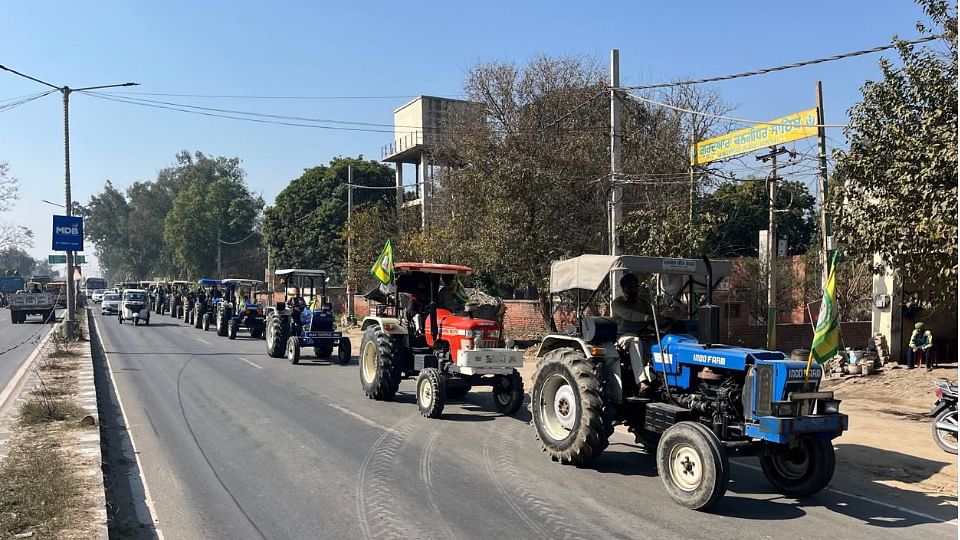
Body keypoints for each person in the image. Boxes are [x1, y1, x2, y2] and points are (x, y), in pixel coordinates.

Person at [611, 273, 656, 393]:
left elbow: (654, 317)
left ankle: (657, 377)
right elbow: (630, 315)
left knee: (660, 343)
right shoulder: (617, 304)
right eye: (630, 287)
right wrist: (647, 318)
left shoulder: (643, 303)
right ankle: (641, 382)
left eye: (635, 287)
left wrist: (667, 319)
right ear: (623, 289)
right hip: (623, 337)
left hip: (644, 334)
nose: (633, 290)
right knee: (635, 341)